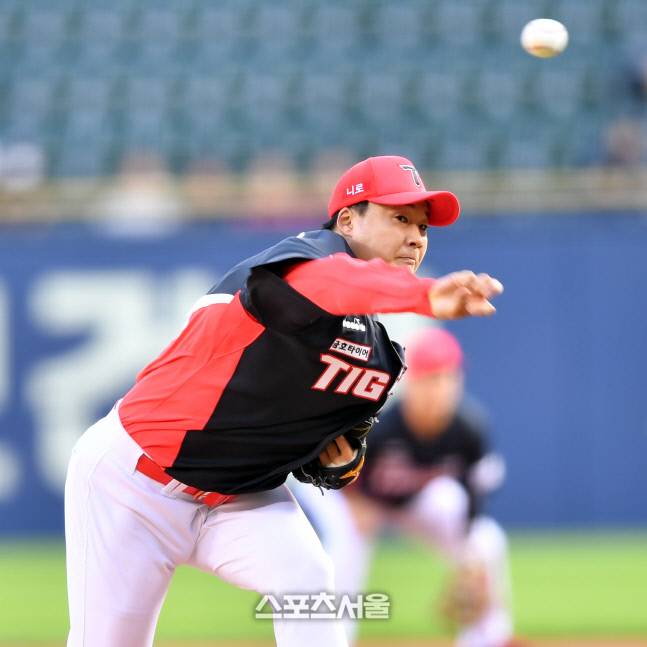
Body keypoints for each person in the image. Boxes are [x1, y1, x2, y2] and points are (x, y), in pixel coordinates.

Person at [64, 155, 504, 647]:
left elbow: (328, 447)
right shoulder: (301, 262)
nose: (416, 238)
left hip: (241, 496)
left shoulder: (379, 358)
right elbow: (328, 283)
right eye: (400, 217)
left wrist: (339, 462)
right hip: (134, 483)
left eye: (423, 227)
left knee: (308, 577)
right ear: (347, 221)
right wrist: (421, 295)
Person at [291, 327, 518, 647]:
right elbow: (332, 464)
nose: (439, 389)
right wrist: (356, 503)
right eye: (430, 379)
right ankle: (332, 640)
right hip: (349, 496)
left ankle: (489, 639)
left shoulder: (470, 430)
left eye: (447, 378)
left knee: (486, 541)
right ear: (412, 383)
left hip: (410, 502)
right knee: (347, 546)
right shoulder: (379, 423)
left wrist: (469, 555)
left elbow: (475, 493)